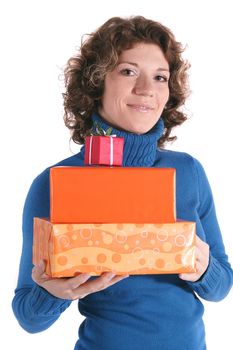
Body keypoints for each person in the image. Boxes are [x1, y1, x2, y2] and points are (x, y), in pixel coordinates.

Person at [12, 16, 233, 350]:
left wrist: (204, 268)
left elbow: (221, 286)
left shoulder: (189, 172)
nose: (146, 89)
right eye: (128, 71)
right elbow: (28, 317)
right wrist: (53, 292)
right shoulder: (57, 182)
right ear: (97, 81)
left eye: (160, 77)